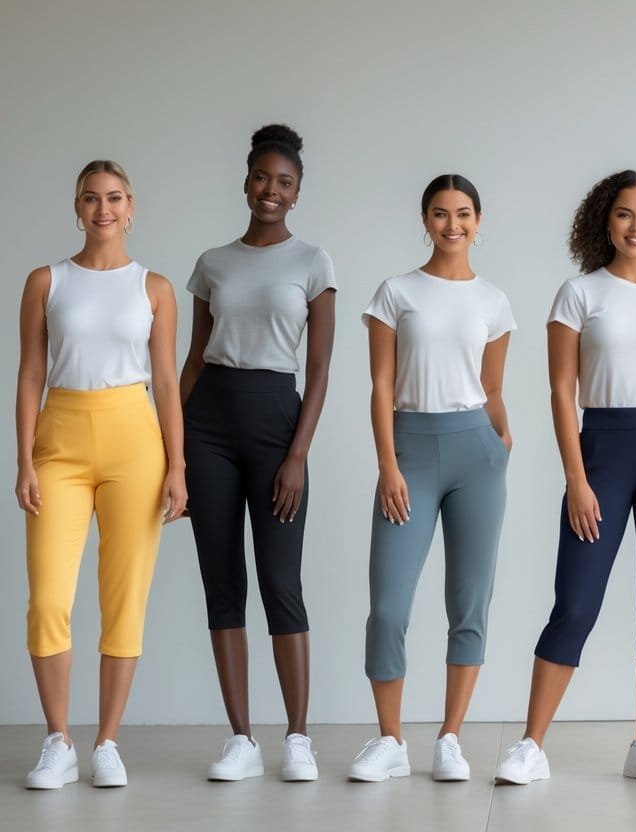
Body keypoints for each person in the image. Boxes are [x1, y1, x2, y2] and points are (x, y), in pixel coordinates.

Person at [495, 170, 636, 785]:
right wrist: (578, 477)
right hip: (603, 451)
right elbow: (561, 392)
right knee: (576, 601)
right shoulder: (579, 293)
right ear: (605, 221)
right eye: (624, 214)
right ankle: (531, 746)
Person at [18, 160, 186, 789]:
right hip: (58, 438)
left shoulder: (155, 288)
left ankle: (107, 742)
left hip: (134, 440)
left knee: (124, 597)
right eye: (91, 199)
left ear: (132, 206)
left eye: (114, 198)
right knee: (48, 599)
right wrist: (23, 460)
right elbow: (30, 374)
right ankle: (58, 739)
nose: (103, 209)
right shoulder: (46, 281)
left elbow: (167, 381)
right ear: (77, 207)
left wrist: (179, 466)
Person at [180, 124, 336, 782]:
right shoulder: (212, 263)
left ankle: (297, 737)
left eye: (284, 182)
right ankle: (241, 738)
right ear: (245, 181)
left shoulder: (312, 262)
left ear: (297, 193)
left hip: (277, 422)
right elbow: (191, 361)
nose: (270, 190)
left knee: (281, 583)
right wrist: (172, 452)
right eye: (261, 178)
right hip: (208, 421)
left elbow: (321, 367)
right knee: (223, 584)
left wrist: (297, 454)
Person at [348, 174, 515, 783]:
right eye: (441, 214)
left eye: (464, 213)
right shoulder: (395, 292)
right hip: (410, 451)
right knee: (388, 608)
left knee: (469, 603)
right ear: (425, 220)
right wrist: (388, 464)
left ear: (478, 220)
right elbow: (382, 386)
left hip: (477, 452)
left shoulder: (493, 301)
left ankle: (450, 737)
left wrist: (501, 442)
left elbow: (493, 388)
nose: (453, 225)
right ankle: (391, 739)